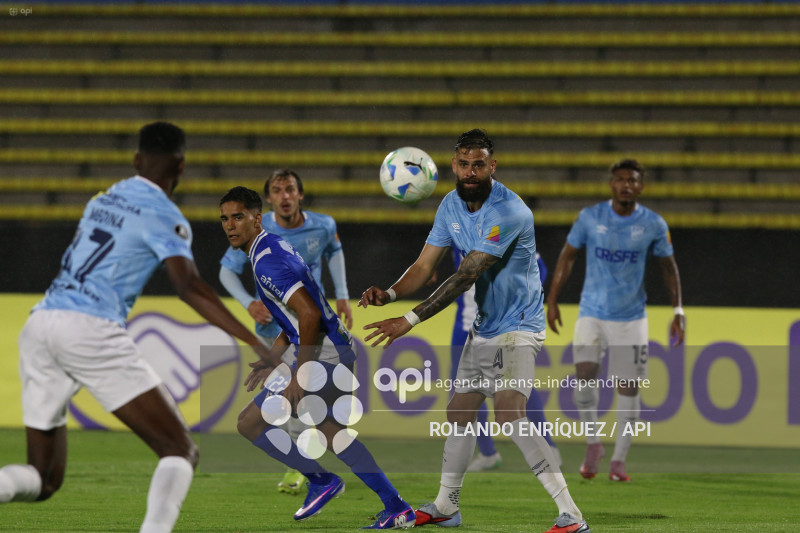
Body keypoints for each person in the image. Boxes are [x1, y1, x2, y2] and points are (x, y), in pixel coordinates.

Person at [0, 122, 273, 533]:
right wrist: (253, 339)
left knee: (43, 480)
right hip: (90, 328)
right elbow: (189, 286)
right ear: (180, 166)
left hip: (40, 323)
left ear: (135, 160)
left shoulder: (103, 198)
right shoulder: (166, 216)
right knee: (179, 450)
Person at [360, 129, 590, 533]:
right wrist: (392, 293)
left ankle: (571, 514)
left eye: (478, 164)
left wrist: (408, 320)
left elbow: (465, 275)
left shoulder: (509, 211)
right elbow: (424, 266)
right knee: (459, 412)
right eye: (464, 164)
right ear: (453, 165)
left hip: (519, 325)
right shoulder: (450, 204)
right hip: (485, 327)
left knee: (508, 413)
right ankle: (447, 506)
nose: (470, 171)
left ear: (492, 166)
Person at [219, 186, 415, 530]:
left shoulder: (267, 261)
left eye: (238, 217)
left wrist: (301, 371)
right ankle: (397, 507)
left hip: (322, 352)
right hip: (334, 346)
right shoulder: (273, 248)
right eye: (224, 219)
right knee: (332, 434)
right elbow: (295, 316)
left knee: (250, 423)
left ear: (256, 218)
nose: (230, 225)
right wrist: (274, 356)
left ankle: (321, 480)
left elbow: (308, 315)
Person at [546, 158, 685, 483]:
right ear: (611, 184)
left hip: (631, 317)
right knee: (583, 375)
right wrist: (551, 299)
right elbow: (568, 255)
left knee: (628, 386)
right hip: (592, 312)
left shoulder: (653, 224)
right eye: (621, 179)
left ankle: (619, 460)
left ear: (641, 186)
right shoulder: (590, 218)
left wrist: (678, 311)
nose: (626, 184)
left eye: (632, 180)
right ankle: (593, 444)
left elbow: (669, 267)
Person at [218, 168, 352, 495]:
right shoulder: (253, 231)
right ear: (269, 200)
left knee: (296, 397)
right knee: (293, 401)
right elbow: (226, 271)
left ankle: (306, 470)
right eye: (277, 190)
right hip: (274, 327)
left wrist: (343, 293)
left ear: (300, 195)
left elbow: (334, 253)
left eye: (290, 189)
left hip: (307, 328)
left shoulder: (322, 226)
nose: (285, 196)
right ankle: (312, 467)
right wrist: (249, 303)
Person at [457, 251, 562, 472]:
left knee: (517, 385)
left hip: (502, 324)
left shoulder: (505, 227)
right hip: (466, 324)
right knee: (464, 393)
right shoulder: (455, 228)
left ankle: (549, 448)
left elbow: (539, 267)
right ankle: (487, 452)